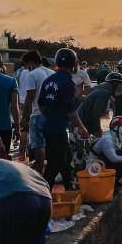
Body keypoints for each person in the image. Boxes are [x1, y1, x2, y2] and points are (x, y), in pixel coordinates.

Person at [38, 48, 89, 190]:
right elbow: (71, 111)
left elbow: (41, 105)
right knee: (55, 164)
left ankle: (69, 186)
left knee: (65, 158)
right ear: (74, 64)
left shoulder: (48, 81)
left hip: (48, 126)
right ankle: (44, 193)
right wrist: (81, 127)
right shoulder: (68, 83)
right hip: (58, 129)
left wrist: (51, 115)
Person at [20, 51, 54, 173]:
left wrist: (24, 117)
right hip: (52, 114)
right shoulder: (51, 73)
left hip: (37, 114)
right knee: (51, 144)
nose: (26, 68)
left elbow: (30, 97)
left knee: (38, 145)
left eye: (26, 65)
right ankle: (51, 170)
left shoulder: (32, 74)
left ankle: (40, 172)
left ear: (30, 63)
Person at [76, 72, 122, 138]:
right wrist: (98, 131)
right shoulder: (103, 94)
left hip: (82, 125)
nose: (120, 91)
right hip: (81, 127)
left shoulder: (101, 89)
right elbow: (96, 114)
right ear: (114, 84)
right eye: (119, 88)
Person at [14, 63, 29, 159]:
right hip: (28, 101)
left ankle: (22, 152)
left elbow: (18, 85)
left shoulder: (21, 72)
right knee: (27, 129)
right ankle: (25, 152)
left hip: (22, 100)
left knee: (24, 128)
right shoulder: (33, 73)